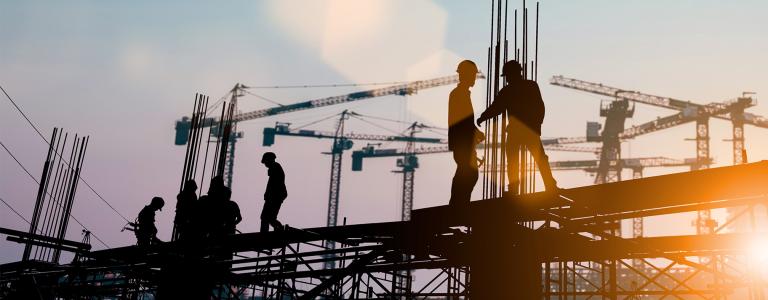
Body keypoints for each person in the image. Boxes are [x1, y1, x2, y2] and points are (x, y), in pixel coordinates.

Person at [477, 60, 559, 195]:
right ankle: (549, 185)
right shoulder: (530, 86)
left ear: (513, 74)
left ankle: (515, 188)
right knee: (538, 159)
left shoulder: (509, 91)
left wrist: (483, 117)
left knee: (514, 160)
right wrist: (537, 125)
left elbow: (496, 108)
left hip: (518, 130)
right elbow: (540, 107)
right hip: (528, 130)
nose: (507, 79)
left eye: (507, 76)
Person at [448, 60, 485, 211]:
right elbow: (461, 119)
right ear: (465, 75)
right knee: (468, 172)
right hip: (462, 142)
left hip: (464, 142)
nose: (474, 78)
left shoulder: (461, 93)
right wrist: (476, 132)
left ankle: (459, 204)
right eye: (472, 75)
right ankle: (458, 205)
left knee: (466, 172)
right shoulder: (459, 94)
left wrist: (475, 132)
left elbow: (464, 119)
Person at [260, 152, 287, 233]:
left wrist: (268, 195)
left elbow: (273, 185)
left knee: (266, 218)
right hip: (276, 196)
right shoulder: (276, 168)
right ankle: (279, 230)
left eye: (265, 162)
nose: (265, 164)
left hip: (275, 197)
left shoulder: (275, 168)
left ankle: (266, 235)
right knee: (269, 218)